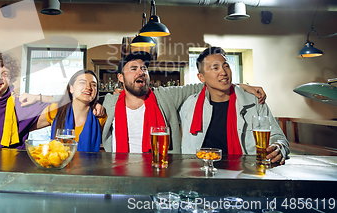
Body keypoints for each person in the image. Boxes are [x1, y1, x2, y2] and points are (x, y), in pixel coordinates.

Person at [101, 51, 267, 154]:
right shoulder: (110, 102)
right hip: (119, 170)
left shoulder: (166, 96)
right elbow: (89, 102)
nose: (141, 72)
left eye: (144, 68)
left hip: (159, 171)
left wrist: (238, 86)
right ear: (120, 77)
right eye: (134, 68)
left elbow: (204, 84)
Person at [179, 47, 289, 163]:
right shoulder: (188, 105)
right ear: (201, 77)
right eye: (215, 68)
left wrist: (279, 147)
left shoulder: (254, 102)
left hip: (246, 172)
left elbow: (279, 137)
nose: (223, 72)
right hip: (201, 173)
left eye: (226, 66)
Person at [31, 70, 107, 152]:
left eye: (93, 85)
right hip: (58, 163)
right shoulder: (56, 109)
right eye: (82, 82)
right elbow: (24, 126)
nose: (88, 87)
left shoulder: (100, 115)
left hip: (90, 164)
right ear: (71, 89)